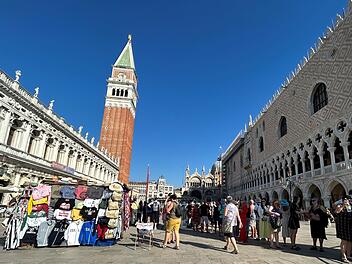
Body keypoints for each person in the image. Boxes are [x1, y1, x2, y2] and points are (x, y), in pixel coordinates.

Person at [334, 196, 352, 263]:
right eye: (345, 199)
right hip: (343, 226)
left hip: (349, 226)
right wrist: (343, 205)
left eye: (347, 199)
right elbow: (336, 212)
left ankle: (348, 255)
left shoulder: (350, 206)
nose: (346, 200)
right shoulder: (340, 206)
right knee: (344, 241)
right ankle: (343, 256)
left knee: (350, 241)